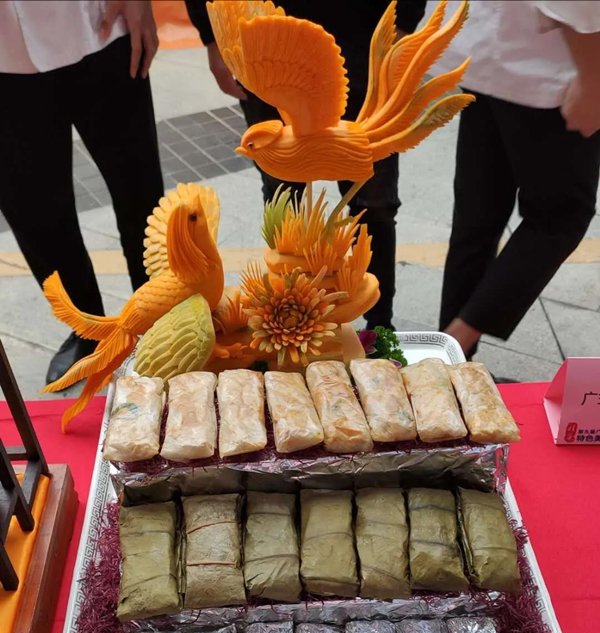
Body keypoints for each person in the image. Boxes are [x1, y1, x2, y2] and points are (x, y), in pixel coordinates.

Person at [185, 0, 427, 334]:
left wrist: (403, 25)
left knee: (374, 204)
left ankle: (380, 326)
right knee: (284, 198)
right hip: (264, 48)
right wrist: (213, 35)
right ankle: (290, 325)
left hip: (364, 42)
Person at [0, 0, 164, 386]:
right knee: (36, 214)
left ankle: (163, 318)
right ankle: (86, 330)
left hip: (100, 25)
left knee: (141, 195)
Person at [432, 0, 600, 358]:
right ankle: (454, 342)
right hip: (546, 71)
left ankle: (448, 364)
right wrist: (593, 81)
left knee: (478, 217)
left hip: (491, 53)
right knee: (559, 219)